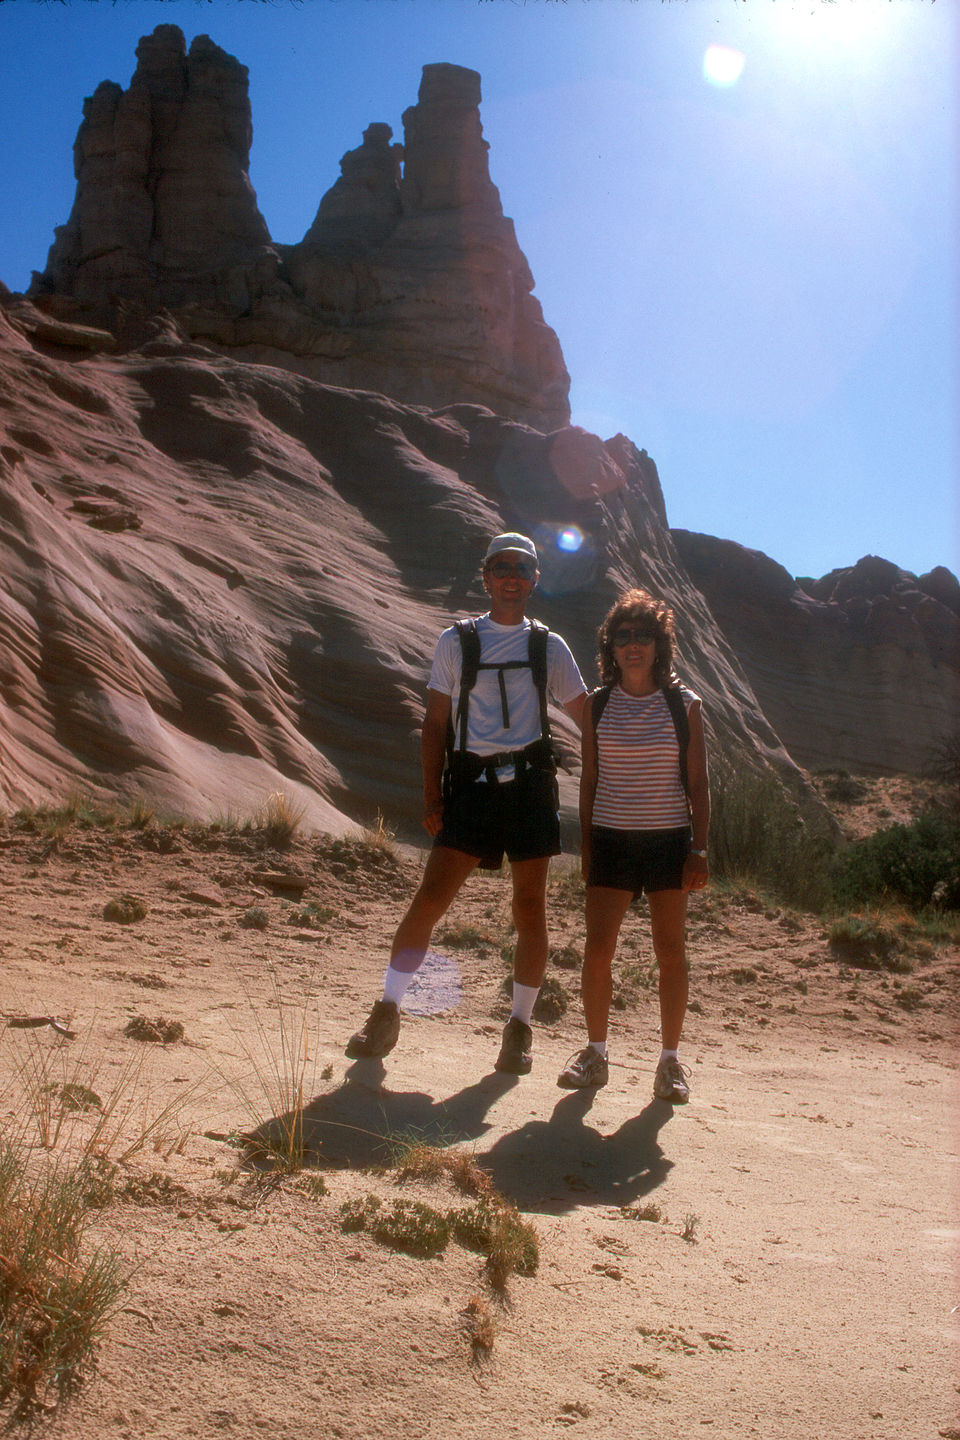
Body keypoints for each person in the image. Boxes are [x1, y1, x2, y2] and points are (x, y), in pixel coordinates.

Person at [346, 533, 587, 1074]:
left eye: (521, 569)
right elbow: (434, 724)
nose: (511, 577)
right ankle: (386, 1010)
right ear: (486, 577)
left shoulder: (549, 647)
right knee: (430, 899)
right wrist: (433, 795)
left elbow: (585, 715)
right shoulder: (455, 642)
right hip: (472, 788)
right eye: (501, 568)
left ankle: (519, 1029)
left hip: (528, 788)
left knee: (529, 910)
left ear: (534, 580)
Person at [557, 588, 709, 1102]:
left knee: (671, 952)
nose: (633, 645)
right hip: (612, 841)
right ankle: (596, 1054)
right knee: (599, 950)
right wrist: (586, 849)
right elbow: (589, 780)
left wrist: (700, 849)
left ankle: (669, 1063)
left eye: (644, 635)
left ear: (660, 644)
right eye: (623, 636)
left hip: (668, 842)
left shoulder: (684, 705)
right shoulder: (598, 706)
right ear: (611, 646)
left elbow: (699, 783)